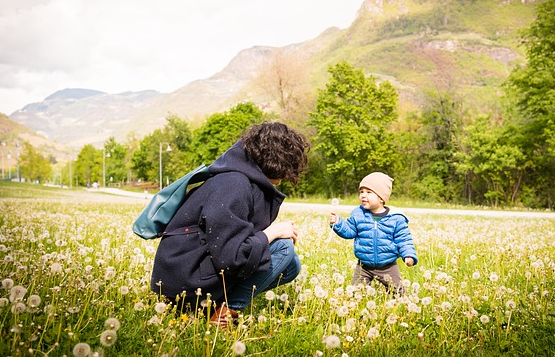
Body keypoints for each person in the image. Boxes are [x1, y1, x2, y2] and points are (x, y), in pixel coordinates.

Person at [150, 121, 309, 327]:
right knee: (283, 248)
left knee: (291, 266)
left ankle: (216, 304)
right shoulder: (234, 183)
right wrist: (274, 232)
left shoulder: (240, 178)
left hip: (192, 268)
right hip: (185, 279)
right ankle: (224, 313)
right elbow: (230, 257)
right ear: (278, 162)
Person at [329, 172, 417, 294]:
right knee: (356, 293)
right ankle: (356, 311)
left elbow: (404, 239)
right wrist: (338, 223)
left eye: (369, 192)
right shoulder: (358, 214)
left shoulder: (396, 218)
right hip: (363, 266)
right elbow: (349, 231)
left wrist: (408, 255)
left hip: (388, 266)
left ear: (381, 198)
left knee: (398, 294)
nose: (363, 195)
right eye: (361, 192)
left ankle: (402, 310)